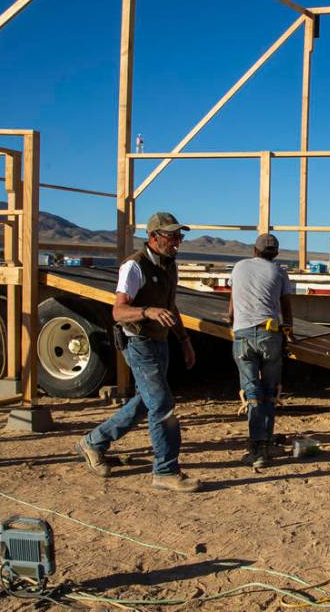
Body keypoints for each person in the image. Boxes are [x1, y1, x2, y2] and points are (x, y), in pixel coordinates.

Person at [75, 211, 201, 493]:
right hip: (138, 341)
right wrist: (147, 311)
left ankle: (93, 442)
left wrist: (184, 340)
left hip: (160, 341)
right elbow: (118, 311)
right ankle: (165, 471)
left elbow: (171, 306)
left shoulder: (169, 265)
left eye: (180, 236)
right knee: (161, 403)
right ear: (154, 237)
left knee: (146, 401)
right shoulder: (134, 267)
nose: (177, 241)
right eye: (172, 236)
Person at [227, 233, 294, 468]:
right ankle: (264, 445)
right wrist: (289, 329)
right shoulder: (280, 272)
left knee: (252, 392)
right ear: (275, 254)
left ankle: (256, 450)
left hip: (243, 334)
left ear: (254, 250)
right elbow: (286, 305)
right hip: (270, 334)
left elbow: (232, 303)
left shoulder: (239, 267)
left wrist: (231, 323)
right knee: (270, 391)